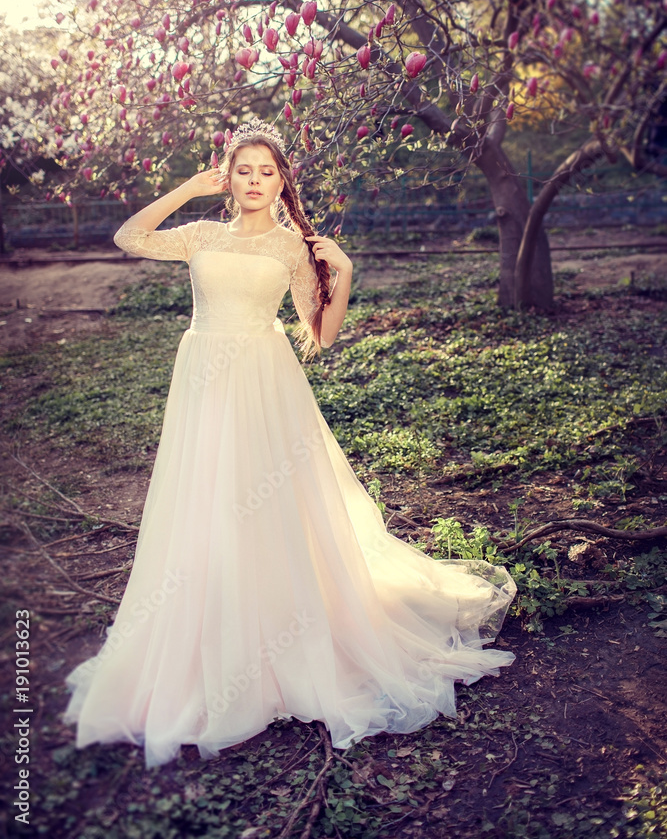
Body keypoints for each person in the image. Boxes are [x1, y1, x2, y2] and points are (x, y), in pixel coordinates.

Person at [63, 116, 516, 770]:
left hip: (264, 381)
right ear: (228, 177)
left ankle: (280, 634)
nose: (253, 181)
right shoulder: (200, 234)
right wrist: (186, 190)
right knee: (206, 502)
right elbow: (128, 237)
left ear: (282, 181)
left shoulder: (291, 248)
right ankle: (213, 623)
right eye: (242, 170)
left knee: (263, 503)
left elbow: (321, 334)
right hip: (203, 380)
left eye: (265, 171)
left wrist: (345, 274)